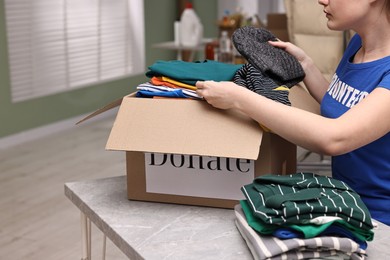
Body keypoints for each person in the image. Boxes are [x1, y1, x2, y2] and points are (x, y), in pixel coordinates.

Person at [196, 0, 390, 225]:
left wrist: (240, 99)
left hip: (382, 222)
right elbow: (346, 106)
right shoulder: (359, 44)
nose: (322, 0)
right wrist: (304, 64)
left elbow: (336, 137)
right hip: (347, 204)